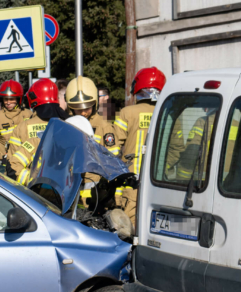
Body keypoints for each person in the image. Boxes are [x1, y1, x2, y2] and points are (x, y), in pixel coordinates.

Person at [114, 67, 166, 226]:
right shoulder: (167, 112)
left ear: (137, 88)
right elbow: (176, 150)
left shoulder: (126, 113)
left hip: (132, 184)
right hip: (161, 184)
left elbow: (113, 151)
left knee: (129, 231)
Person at [64, 76, 119, 206]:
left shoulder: (104, 126)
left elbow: (113, 159)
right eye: (78, 108)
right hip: (71, 187)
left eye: (87, 107)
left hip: (95, 191)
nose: (83, 112)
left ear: (95, 103)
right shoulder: (68, 124)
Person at [7, 78, 67, 185]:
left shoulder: (22, 127)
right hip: (64, 189)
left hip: (33, 191)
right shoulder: (67, 123)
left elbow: (12, 163)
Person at [0, 80, 31, 167]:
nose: (8, 102)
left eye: (11, 99)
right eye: (5, 99)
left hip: (26, 163)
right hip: (5, 166)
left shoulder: (28, 115)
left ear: (18, 99)